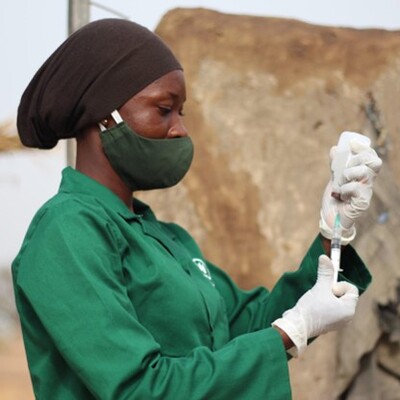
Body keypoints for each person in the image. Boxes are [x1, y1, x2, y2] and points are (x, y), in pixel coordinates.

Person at [12, 18, 382, 400]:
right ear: (105, 116)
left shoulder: (167, 240)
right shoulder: (68, 231)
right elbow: (138, 389)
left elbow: (250, 325)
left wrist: (333, 230)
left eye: (181, 112)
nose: (180, 130)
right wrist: (293, 330)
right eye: (163, 109)